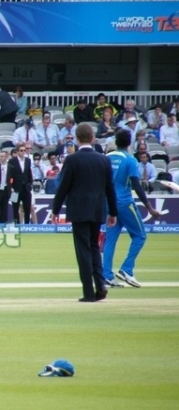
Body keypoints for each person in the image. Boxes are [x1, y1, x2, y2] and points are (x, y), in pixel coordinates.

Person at [52, 123, 118, 303]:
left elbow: (63, 187)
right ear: (92, 138)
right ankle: (101, 285)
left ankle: (89, 292)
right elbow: (110, 188)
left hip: (79, 210)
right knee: (95, 247)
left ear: (77, 138)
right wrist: (112, 211)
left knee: (83, 250)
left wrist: (55, 210)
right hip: (97, 209)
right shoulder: (103, 159)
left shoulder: (72, 160)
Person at [103, 130, 161, 288]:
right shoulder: (130, 160)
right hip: (124, 203)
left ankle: (106, 276)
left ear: (116, 141)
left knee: (110, 239)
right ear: (129, 143)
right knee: (140, 236)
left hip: (108, 203)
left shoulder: (106, 158)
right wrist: (150, 208)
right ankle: (127, 270)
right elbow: (136, 185)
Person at [8, 142, 33, 224]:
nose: (23, 152)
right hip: (15, 189)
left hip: (26, 188)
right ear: (17, 151)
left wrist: (30, 183)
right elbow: (10, 175)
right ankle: (17, 224)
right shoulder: (12, 161)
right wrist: (11, 186)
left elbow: (29, 173)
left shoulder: (28, 161)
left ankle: (27, 225)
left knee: (27, 208)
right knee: (15, 208)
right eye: (21, 150)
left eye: (24, 150)